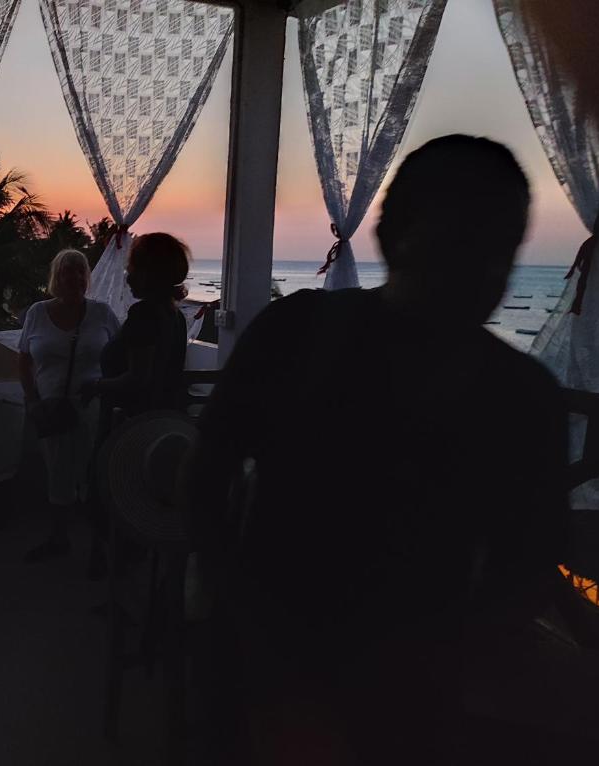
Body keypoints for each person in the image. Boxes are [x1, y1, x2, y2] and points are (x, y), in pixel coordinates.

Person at [185, 135, 569, 764]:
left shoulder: (522, 397)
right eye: (458, 241)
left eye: (497, 248)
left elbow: (525, 570)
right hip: (287, 673)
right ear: (394, 237)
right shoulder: (297, 336)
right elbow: (204, 482)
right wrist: (249, 634)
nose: (478, 269)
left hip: (390, 695)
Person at [19, 250, 120, 563]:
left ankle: (98, 546)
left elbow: (119, 357)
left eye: (80, 272)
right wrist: (32, 400)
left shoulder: (102, 314)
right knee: (58, 473)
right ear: (56, 278)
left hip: (93, 406)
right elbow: (24, 358)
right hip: (52, 408)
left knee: (94, 475)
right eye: (67, 272)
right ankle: (59, 537)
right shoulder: (37, 312)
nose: (74, 278)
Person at [81, 232, 190, 418]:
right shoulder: (175, 315)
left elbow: (138, 378)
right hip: (162, 419)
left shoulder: (143, 315)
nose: (128, 278)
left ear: (148, 274)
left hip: (131, 424)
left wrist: (95, 385)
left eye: (132, 269)